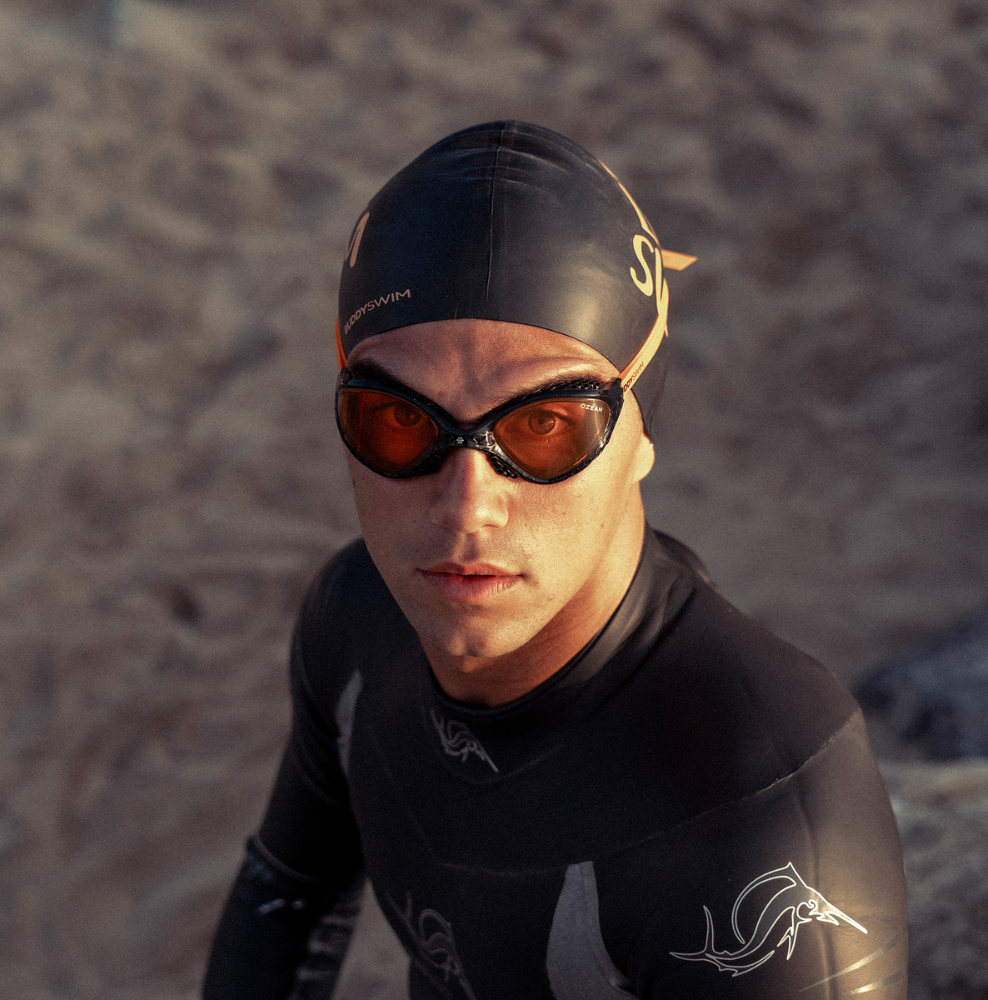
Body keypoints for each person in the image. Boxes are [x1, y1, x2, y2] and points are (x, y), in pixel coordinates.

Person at [203, 121, 907, 1000]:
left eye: (542, 425)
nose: (466, 505)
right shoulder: (354, 620)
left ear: (641, 434)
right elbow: (285, 905)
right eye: (402, 420)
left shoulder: (761, 818)